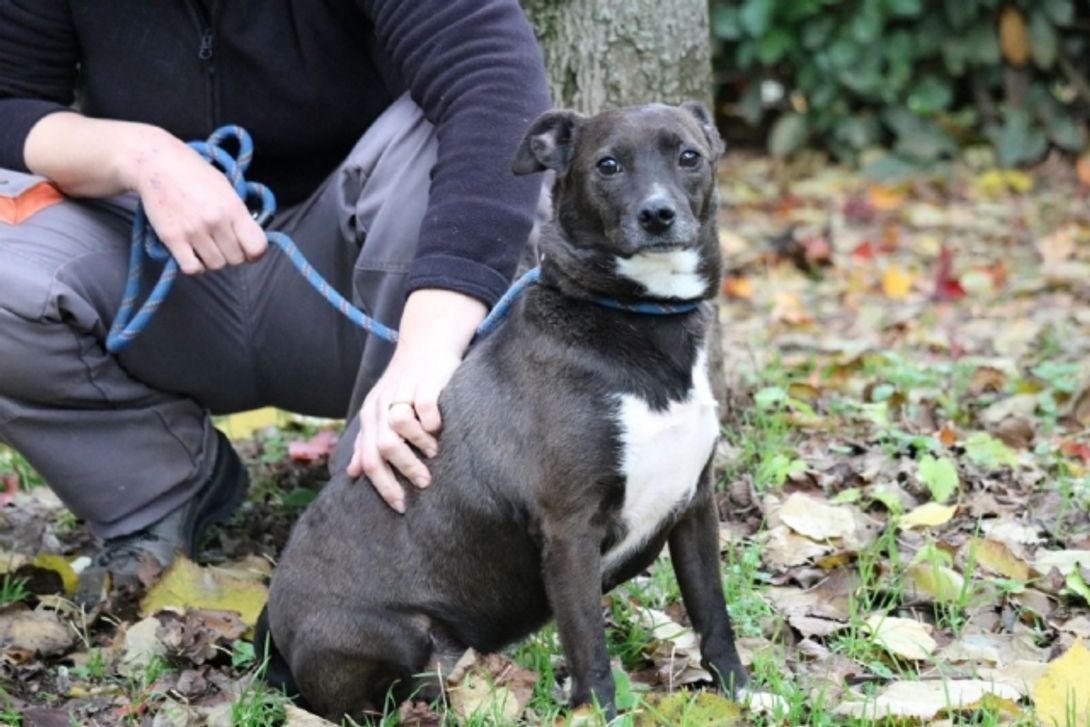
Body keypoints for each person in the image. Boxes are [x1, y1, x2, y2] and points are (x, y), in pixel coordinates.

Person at [0, 1, 551, 590]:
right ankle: (155, 488)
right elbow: (9, 102)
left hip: (367, 290)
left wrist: (429, 348)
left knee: (450, 135)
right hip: (156, 272)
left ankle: (382, 513)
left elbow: (492, 80)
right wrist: (140, 155)